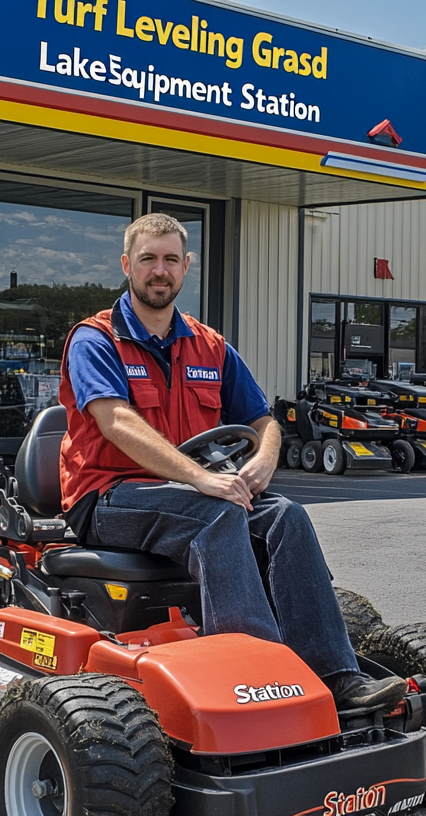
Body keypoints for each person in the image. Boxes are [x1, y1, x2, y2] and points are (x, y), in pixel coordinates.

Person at [57, 212, 405, 711]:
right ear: (126, 265)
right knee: (217, 512)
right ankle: (256, 681)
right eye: (148, 259)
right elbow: (117, 423)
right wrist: (204, 479)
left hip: (189, 492)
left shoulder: (210, 345)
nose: (160, 270)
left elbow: (263, 420)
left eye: (170, 260)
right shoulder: (96, 340)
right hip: (109, 496)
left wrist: (264, 461)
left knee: (285, 513)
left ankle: (338, 679)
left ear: (186, 266)